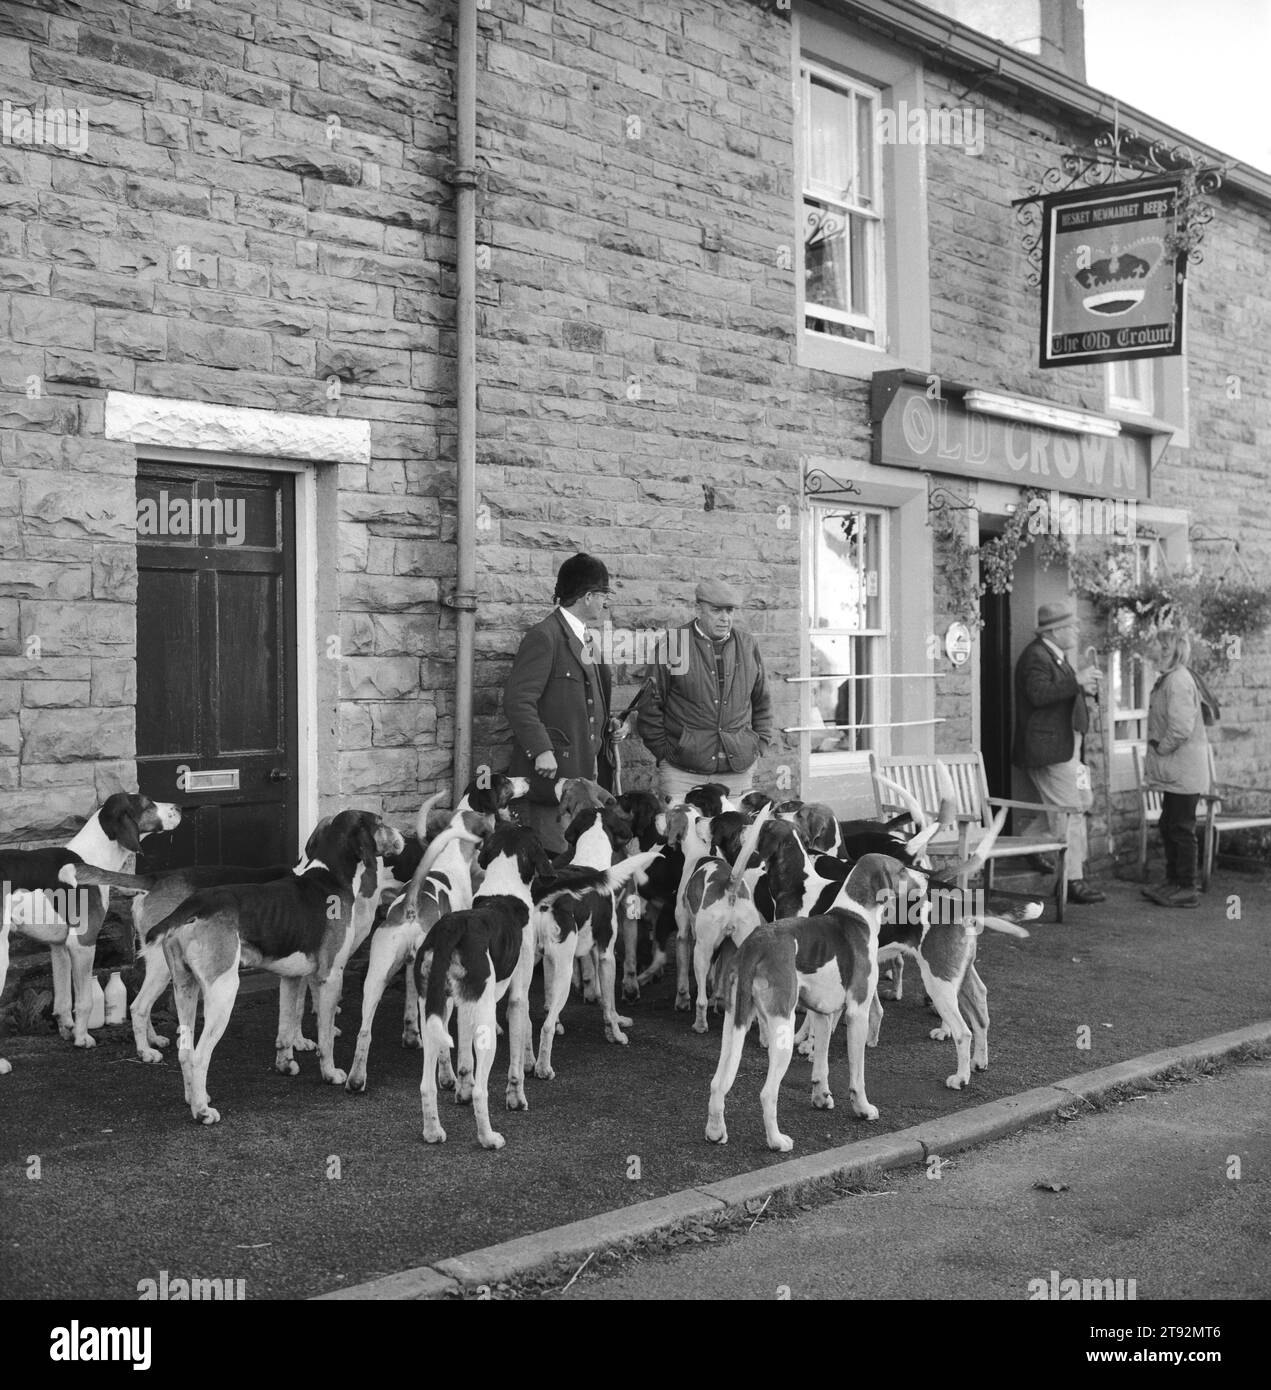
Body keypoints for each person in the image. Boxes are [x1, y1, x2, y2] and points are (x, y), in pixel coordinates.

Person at [502, 553, 619, 854]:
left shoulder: (585, 638)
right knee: (551, 860)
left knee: (577, 860)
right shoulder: (545, 636)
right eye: (605, 595)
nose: (607, 603)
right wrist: (541, 749)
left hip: (583, 778)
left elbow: (590, 700)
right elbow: (518, 701)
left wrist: (611, 724)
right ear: (588, 596)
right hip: (551, 780)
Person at [636, 578, 774, 802]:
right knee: (681, 836)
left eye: (729, 610)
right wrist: (664, 753)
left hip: (737, 771)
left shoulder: (748, 645)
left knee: (736, 836)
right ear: (698, 609)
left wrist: (760, 744)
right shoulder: (673, 643)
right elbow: (650, 704)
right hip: (683, 772)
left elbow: (762, 701)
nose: (725, 618)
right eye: (716, 610)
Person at [1011, 601, 1107, 905]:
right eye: (1073, 626)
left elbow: (1061, 692)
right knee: (1071, 811)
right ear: (1056, 630)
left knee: (1083, 800)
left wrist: (1083, 689)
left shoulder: (1058, 657)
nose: (1077, 630)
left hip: (1072, 750)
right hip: (1051, 752)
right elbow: (1038, 695)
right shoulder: (1035, 656)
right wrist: (1075, 681)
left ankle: (1028, 844)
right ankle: (1072, 880)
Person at [1141, 627, 1211, 908]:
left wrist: (1161, 747)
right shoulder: (1170, 679)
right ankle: (1173, 882)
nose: (1154, 650)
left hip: (1184, 770)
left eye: (1159, 646)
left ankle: (1186, 887)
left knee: (1181, 828)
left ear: (1170, 650)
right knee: (1169, 824)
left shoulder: (1178, 681)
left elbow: (1181, 728)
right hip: (1177, 771)